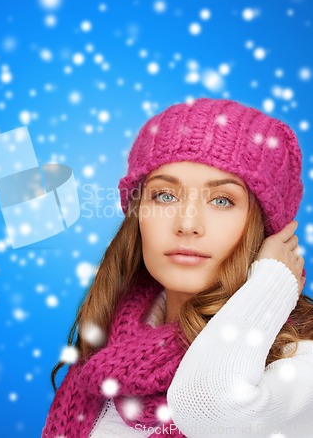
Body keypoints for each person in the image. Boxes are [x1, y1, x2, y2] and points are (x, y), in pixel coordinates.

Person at [41, 97, 313, 438]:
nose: (187, 223)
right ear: (138, 214)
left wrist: (270, 283)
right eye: (165, 196)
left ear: (266, 229)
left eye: (222, 200)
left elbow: (214, 411)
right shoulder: (105, 358)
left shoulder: (299, 366)